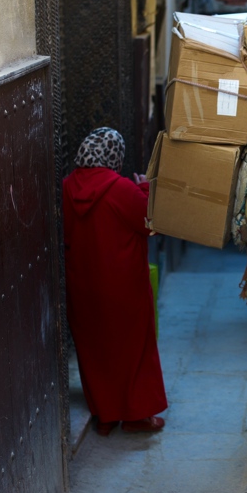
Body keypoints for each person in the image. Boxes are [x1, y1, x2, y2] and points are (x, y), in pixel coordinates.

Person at [62, 127, 167, 435]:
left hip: (82, 286)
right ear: (114, 156)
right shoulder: (121, 189)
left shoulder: (66, 187)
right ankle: (136, 416)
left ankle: (105, 414)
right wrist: (145, 188)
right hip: (123, 287)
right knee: (133, 349)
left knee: (94, 351)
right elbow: (151, 223)